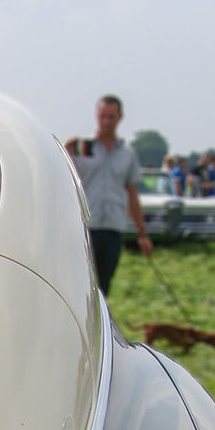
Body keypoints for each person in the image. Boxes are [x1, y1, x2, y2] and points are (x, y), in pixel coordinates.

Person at [67, 94, 152, 296]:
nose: (106, 122)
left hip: (113, 227)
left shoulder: (127, 154)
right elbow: (65, 176)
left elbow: (132, 193)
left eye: (111, 117)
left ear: (120, 117)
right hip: (86, 226)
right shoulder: (83, 147)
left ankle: (99, 326)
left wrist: (142, 233)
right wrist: (66, 150)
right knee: (82, 284)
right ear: (97, 115)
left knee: (103, 287)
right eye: (103, 116)